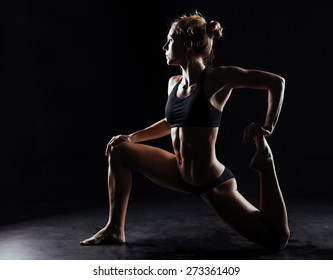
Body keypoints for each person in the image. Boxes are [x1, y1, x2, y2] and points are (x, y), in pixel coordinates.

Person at [80, 11, 290, 250]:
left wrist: (267, 127)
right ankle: (115, 229)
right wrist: (132, 137)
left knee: (275, 239)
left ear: (188, 45)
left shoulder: (216, 79)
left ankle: (266, 163)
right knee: (120, 150)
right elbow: (174, 122)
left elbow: (276, 83)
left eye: (170, 40)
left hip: (210, 182)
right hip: (179, 172)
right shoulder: (174, 83)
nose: (164, 46)